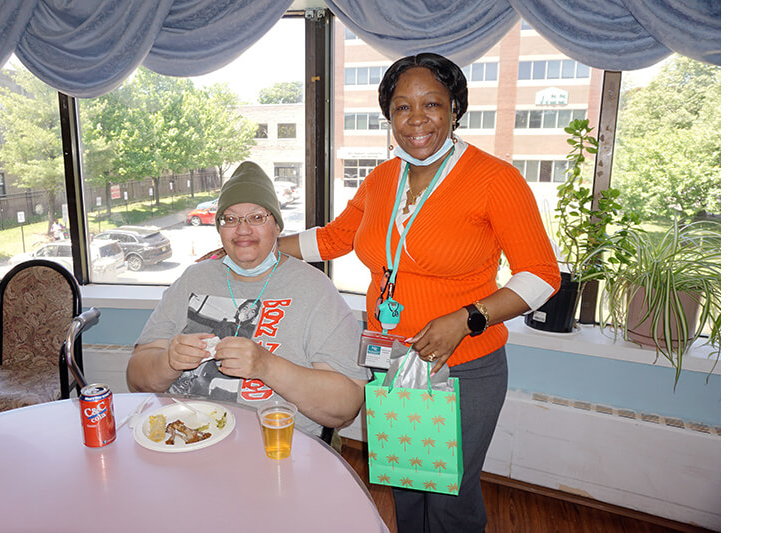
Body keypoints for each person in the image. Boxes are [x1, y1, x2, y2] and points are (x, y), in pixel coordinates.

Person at [203, 53, 561, 532]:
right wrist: (249, 244)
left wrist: (467, 318)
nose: (416, 119)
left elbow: (541, 276)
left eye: (431, 103)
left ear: (456, 108)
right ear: (388, 115)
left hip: (463, 366)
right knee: (407, 485)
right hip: (389, 359)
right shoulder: (381, 180)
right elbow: (332, 239)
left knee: (449, 493)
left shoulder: (495, 179)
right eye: (401, 107)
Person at [127, 161, 371, 440]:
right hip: (185, 439)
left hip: (274, 447)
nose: (242, 230)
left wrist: (266, 366)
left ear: (277, 226)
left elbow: (346, 405)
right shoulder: (192, 279)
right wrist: (169, 361)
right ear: (219, 228)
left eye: (257, 217)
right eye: (230, 219)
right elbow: (136, 377)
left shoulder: (316, 290)